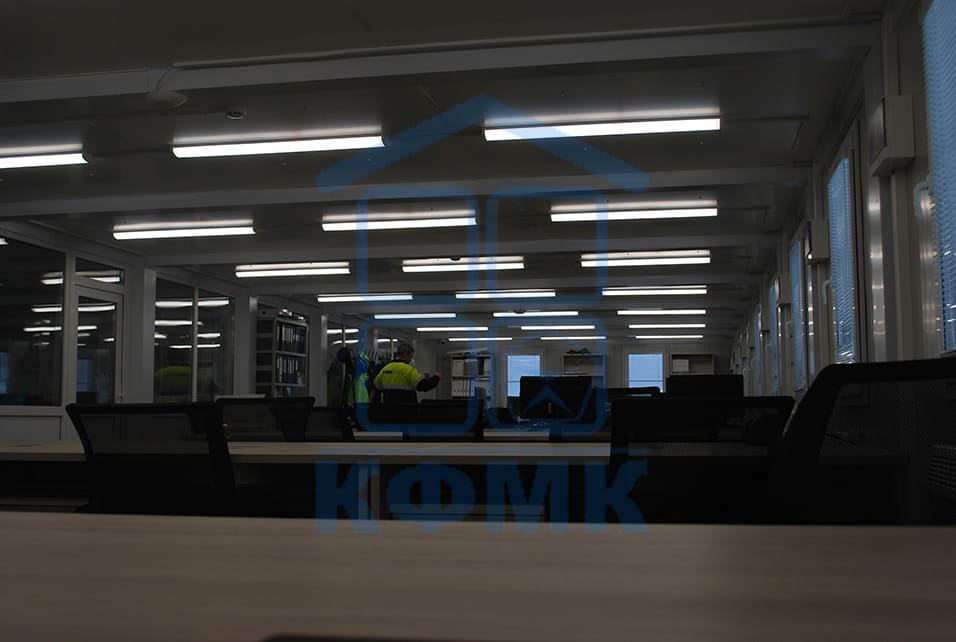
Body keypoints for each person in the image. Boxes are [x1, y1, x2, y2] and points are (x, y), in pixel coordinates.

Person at [372, 342, 440, 404]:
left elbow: (376, 386)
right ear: (405, 354)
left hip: (387, 409)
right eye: (411, 356)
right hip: (406, 409)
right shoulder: (408, 370)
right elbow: (423, 385)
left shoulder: (385, 369)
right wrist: (436, 378)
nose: (411, 359)